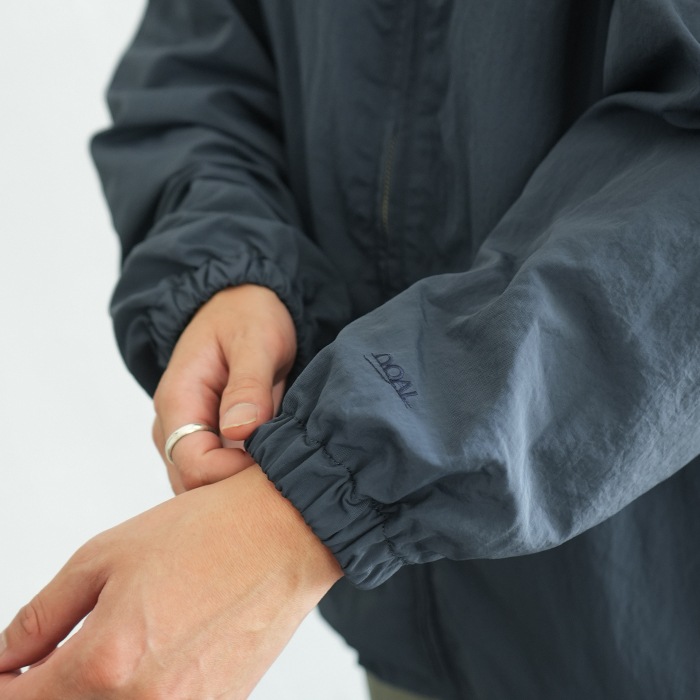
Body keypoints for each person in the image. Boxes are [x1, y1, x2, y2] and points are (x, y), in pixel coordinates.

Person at [1, 0, 699, 698]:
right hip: (403, 637)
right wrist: (232, 266)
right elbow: (202, 49)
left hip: (638, 639)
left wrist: (310, 509)